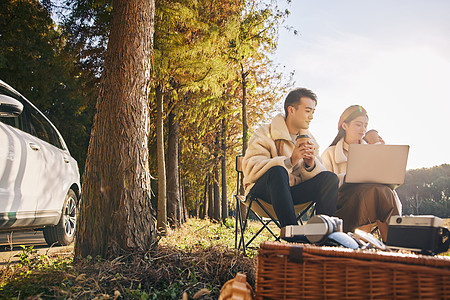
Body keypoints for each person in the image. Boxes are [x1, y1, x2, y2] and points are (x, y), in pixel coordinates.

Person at [242, 88, 338, 228]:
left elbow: (317, 175)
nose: (311, 116)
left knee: (330, 178)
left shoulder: (310, 140)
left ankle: (321, 233)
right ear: (291, 110)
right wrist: (290, 161)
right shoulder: (264, 132)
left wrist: (310, 164)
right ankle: (292, 233)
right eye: (307, 111)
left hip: (293, 195)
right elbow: (251, 170)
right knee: (278, 171)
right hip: (262, 195)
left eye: (312, 112)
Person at [321, 105, 401, 241]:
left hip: (376, 198)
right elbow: (325, 185)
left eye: (365, 125)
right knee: (368, 192)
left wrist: (382, 155)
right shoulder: (330, 153)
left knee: (382, 191)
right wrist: (349, 177)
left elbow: (390, 182)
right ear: (345, 126)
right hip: (344, 205)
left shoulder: (371, 150)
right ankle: (368, 245)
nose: (363, 129)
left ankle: (392, 247)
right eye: (358, 125)